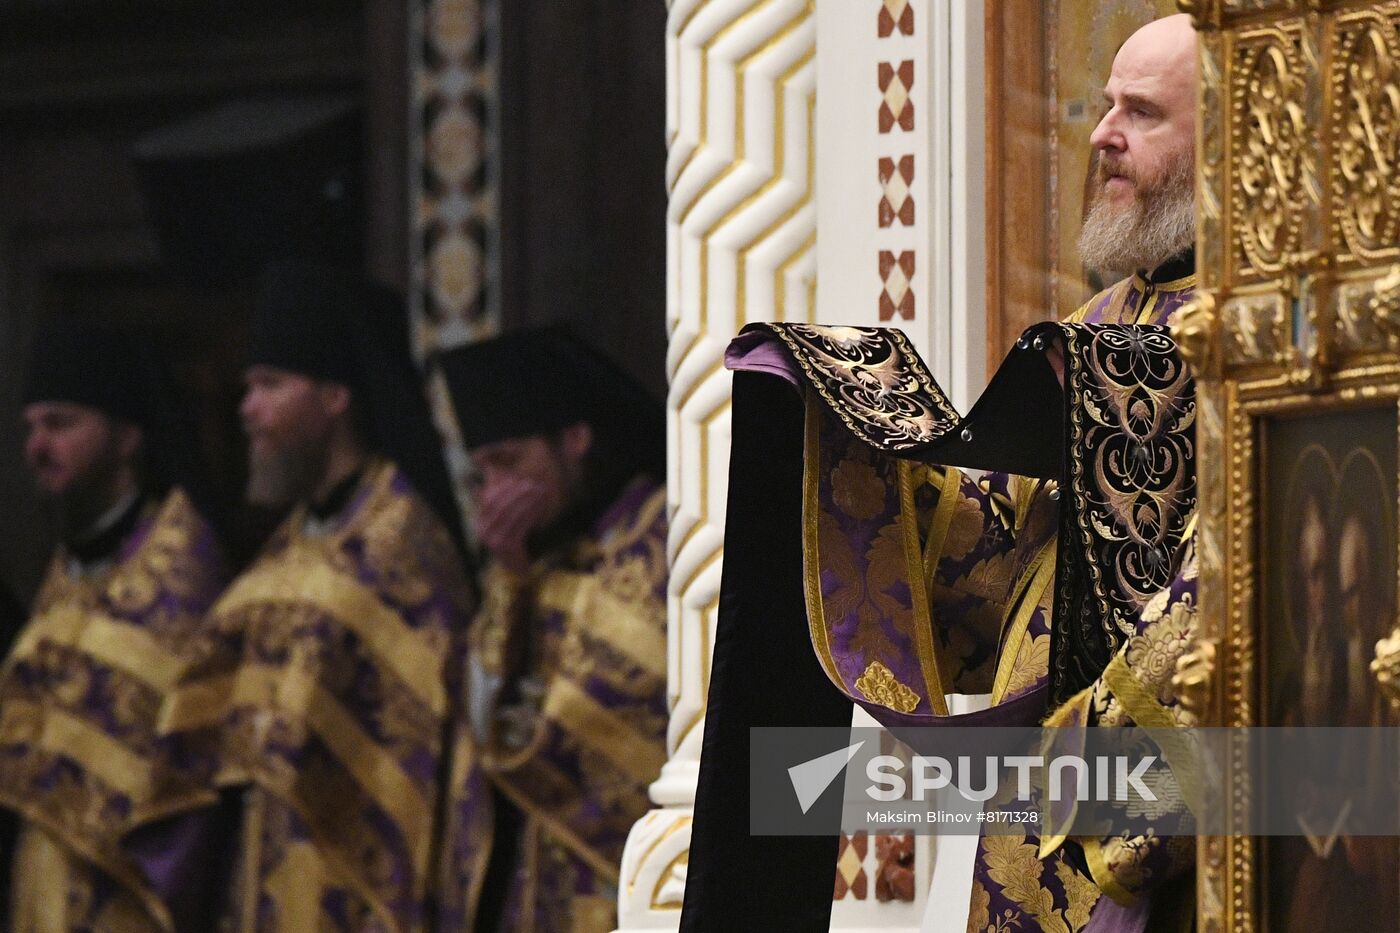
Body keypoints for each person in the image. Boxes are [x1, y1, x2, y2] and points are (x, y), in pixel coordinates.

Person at [682, 13, 1203, 932]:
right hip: (1033, 821)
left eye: (1143, 113)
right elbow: (995, 581)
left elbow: (1226, 587)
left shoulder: (1256, 339)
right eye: (1106, 104)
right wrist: (845, 446)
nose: (1103, 135)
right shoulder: (1102, 319)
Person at [155, 263, 476, 931]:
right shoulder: (290, 545)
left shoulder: (402, 546)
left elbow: (420, 774)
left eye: (270, 386)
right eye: (248, 388)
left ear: (336, 396)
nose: (247, 411)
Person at [435, 325, 669, 932]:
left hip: (632, 879)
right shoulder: (530, 562)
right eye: (481, 475)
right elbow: (484, 727)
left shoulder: (662, 533)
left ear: (574, 440)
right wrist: (507, 577)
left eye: (510, 463)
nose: (496, 493)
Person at [0, 315, 229, 931]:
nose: (37, 447)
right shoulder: (68, 567)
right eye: (31, 427)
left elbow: (191, 782)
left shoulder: (181, 572)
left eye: (60, 424)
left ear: (128, 438)